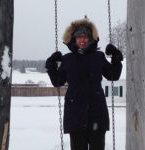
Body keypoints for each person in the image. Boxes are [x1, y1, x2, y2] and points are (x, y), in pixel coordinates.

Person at [45, 18, 123, 150]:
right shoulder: (68, 59)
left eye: (85, 37)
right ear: (73, 39)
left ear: (91, 38)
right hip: (75, 114)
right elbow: (58, 81)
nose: (82, 40)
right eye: (78, 37)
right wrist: (51, 65)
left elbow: (113, 75)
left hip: (97, 114)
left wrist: (116, 57)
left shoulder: (99, 57)